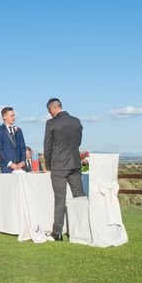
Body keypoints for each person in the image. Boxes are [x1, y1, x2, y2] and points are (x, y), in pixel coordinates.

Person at [43, 98, 86, 241]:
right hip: (75, 164)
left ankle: (57, 233)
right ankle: (83, 229)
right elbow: (78, 142)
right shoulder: (76, 121)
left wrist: (48, 165)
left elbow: (47, 147)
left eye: (49, 111)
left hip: (59, 166)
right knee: (79, 196)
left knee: (60, 199)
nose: (50, 114)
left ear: (52, 108)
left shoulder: (51, 123)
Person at [0, 107, 27, 173]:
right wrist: (10, 163)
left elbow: (23, 147)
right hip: (7, 167)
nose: (14, 117)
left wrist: (23, 161)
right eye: (11, 115)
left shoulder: (18, 130)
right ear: (4, 117)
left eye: (14, 115)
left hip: (20, 166)